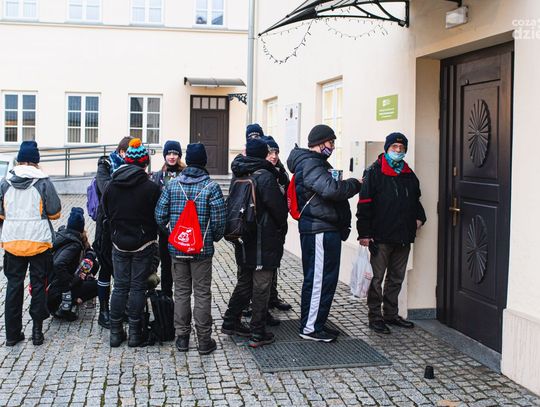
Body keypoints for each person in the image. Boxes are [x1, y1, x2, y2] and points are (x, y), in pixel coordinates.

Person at [287, 124, 362, 342]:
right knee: (318, 280)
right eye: (331, 142)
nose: (333, 146)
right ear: (320, 143)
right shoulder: (311, 163)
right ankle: (310, 328)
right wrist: (354, 184)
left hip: (324, 228)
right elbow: (331, 189)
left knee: (325, 279)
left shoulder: (316, 163)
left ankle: (317, 323)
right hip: (318, 229)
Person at [155, 143, 226, 355]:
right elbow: (220, 221)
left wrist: (173, 234)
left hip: (177, 249)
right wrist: (211, 238)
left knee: (181, 292)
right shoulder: (211, 187)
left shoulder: (173, 185)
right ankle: (204, 341)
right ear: (204, 162)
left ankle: (182, 339)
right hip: (201, 251)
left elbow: (159, 215)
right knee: (202, 293)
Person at [356, 132, 426, 334]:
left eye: (401, 148)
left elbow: (416, 200)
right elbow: (364, 204)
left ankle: (391, 314)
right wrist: (364, 234)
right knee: (376, 279)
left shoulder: (408, 173)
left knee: (396, 278)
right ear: (387, 148)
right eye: (394, 147)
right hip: (380, 236)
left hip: (403, 235)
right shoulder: (374, 172)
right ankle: (375, 317)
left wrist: (420, 217)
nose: (398, 150)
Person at [221, 138, 289, 348]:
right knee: (261, 285)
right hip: (263, 238)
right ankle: (258, 332)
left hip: (243, 236)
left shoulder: (239, 173)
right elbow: (278, 210)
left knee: (245, 282)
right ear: (262, 154)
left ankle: (230, 321)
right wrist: (281, 227)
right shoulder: (265, 176)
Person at [0, 141, 62, 346]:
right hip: (38, 242)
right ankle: (37, 332)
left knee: (13, 286)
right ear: (36, 161)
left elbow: (1, 214)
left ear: (19, 159)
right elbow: (55, 212)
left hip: (12, 242)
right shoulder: (43, 182)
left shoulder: (5, 182)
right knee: (38, 285)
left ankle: (12, 334)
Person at [102, 138, 161, 347]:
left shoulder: (111, 185)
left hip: (118, 242)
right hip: (143, 243)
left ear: (126, 161)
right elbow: (158, 216)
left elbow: (106, 212)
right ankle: (135, 334)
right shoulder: (151, 188)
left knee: (119, 287)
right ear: (145, 163)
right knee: (137, 287)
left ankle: (116, 333)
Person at [92, 136, 132, 329]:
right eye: (128, 153)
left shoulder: (131, 167)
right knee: (106, 268)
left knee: (121, 270)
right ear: (121, 151)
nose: (130, 157)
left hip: (123, 223)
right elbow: (106, 188)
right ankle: (103, 312)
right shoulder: (105, 165)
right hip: (106, 224)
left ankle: (120, 308)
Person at [48, 207, 99, 321]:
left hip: (54, 287)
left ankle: (73, 298)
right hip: (57, 290)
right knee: (98, 286)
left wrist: (90, 256)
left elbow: (89, 252)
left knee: (94, 264)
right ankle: (69, 302)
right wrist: (71, 281)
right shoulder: (74, 244)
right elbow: (59, 264)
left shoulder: (64, 236)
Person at [151, 140, 185, 298]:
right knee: (165, 264)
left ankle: (181, 297)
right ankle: (166, 297)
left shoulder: (185, 174)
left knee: (181, 265)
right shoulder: (158, 175)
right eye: (169, 153)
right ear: (164, 155)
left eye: (175, 154)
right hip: (164, 228)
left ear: (179, 156)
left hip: (182, 227)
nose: (172, 156)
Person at [263, 136, 292, 312]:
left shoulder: (281, 172)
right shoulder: (260, 171)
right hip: (265, 225)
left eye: (276, 152)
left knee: (275, 262)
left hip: (279, 225)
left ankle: (272, 296)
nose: (273, 156)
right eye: (270, 152)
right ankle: (259, 302)